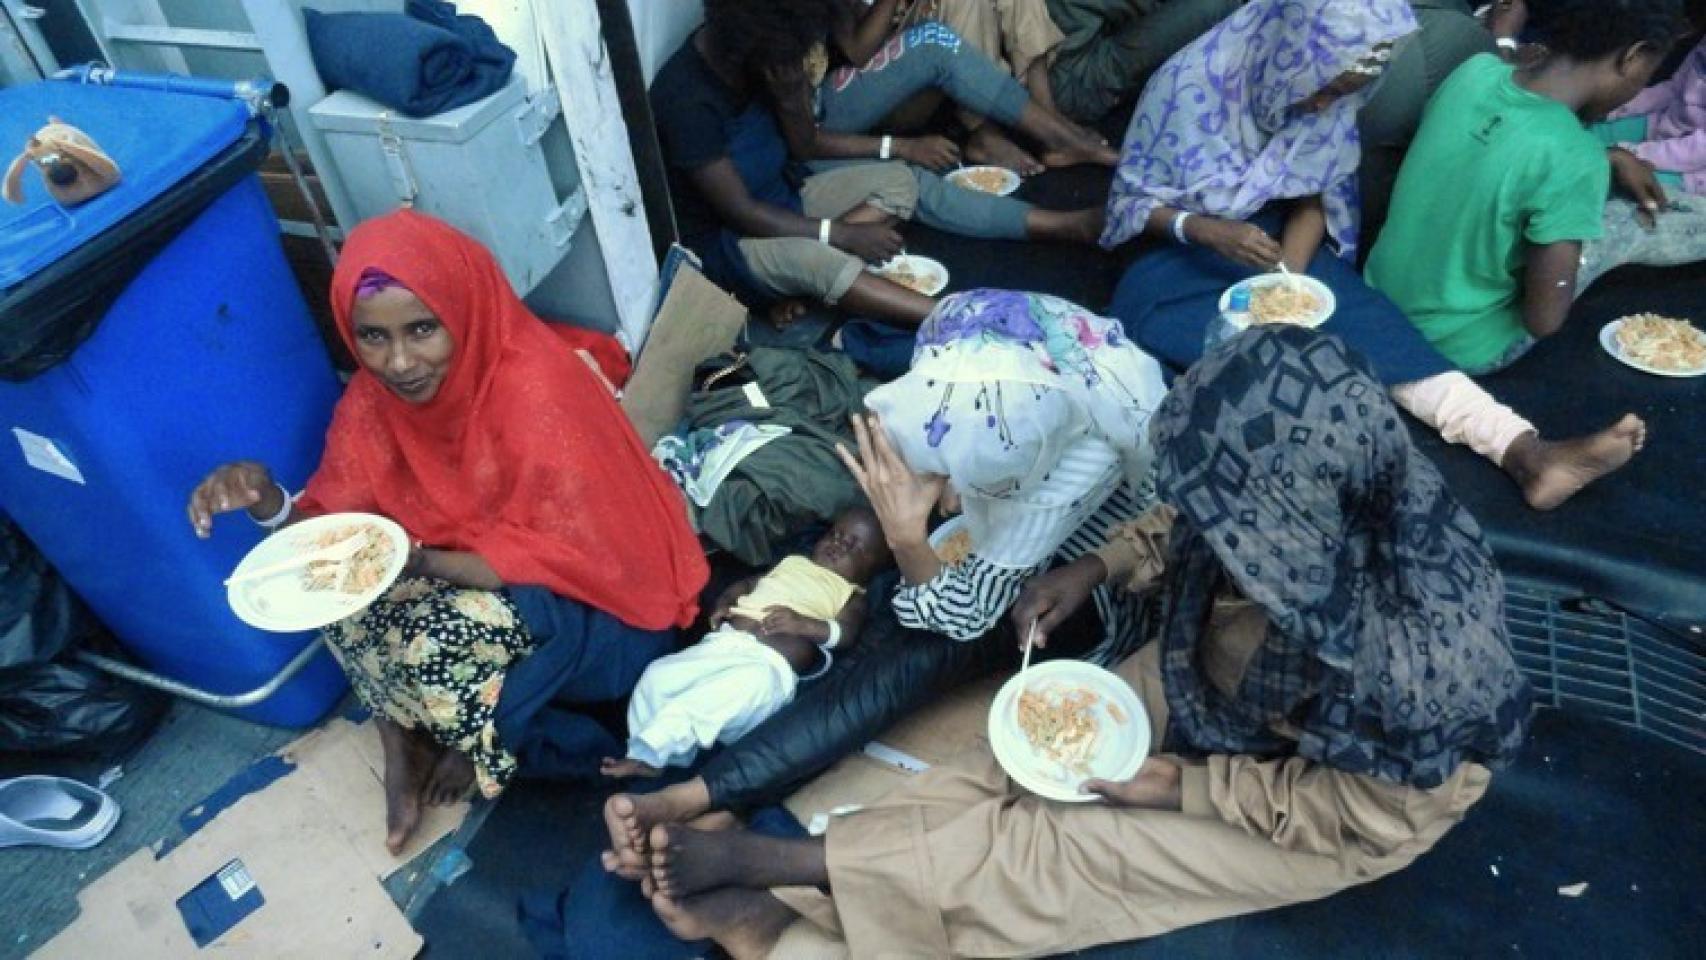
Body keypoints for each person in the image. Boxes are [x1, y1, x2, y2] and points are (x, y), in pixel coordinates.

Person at [618, 327, 1535, 959]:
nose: (1224, 537)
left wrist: (1181, 786)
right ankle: (814, 852)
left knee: (1075, 853)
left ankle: (783, 897)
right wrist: (1098, 568)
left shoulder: (1426, 675)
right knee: (1019, 750)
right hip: (1218, 678)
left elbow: (1357, 810)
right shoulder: (1297, 483)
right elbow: (1189, 518)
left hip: (1324, 805)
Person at [599, 289, 1168, 883]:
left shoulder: (1066, 461)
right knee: (859, 602)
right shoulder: (978, 336)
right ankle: (738, 788)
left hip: (1084, 581)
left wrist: (908, 537)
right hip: (999, 535)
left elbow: (965, 615)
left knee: (910, 660)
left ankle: (702, 794)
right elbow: (943, 465)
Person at [186, 210, 707, 854]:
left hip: (601, 622)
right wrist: (268, 502)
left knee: (434, 635)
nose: (399, 361)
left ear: (465, 312)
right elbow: (328, 531)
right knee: (330, 588)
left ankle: (483, 734)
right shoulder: (376, 405)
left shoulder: (536, 392)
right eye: (371, 337)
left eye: (423, 329)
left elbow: (573, 561)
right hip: (462, 573)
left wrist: (412, 561)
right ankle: (400, 737)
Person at [1103, 0, 1644, 511]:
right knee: (1205, 343)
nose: (1323, 106)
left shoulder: (1333, 92)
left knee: (1378, 330)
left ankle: (1526, 453)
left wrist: (1286, 280)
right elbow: (1131, 200)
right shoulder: (1189, 87)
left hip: (1270, 246)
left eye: (1344, 93)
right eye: (1323, 91)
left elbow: (1315, 194)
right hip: (1178, 251)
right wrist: (1202, 229)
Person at [651, 0, 1106, 330]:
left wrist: (792, 101)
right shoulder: (685, 97)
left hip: (787, 195)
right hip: (733, 244)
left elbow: (803, 145)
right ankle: (961, 320)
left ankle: (1062, 225)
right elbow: (740, 213)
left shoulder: (763, 57)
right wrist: (842, 234)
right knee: (815, 258)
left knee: (903, 183)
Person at [1368, 0, 1701, 380]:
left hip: (1378, 305)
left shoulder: (1473, 71)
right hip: (1458, 349)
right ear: (1633, 57)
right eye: (1649, 72)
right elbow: (1544, 321)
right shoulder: (1573, 160)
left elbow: (1503, 141)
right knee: (1630, 218)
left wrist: (1603, 155)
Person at [601, 507, 892, 777]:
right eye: (836, 535)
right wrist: (725, 602)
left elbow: (845, 634)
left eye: (854, 546)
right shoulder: (793, 563)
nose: (839, 545)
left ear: (871, 569)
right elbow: (748, 584)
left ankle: (651, 754)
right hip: (722, 645)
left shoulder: (850, 595)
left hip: (767, 669)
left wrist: (803, 624)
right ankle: (645, 749)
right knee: (658, 677)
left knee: (714, 698)